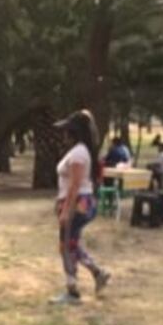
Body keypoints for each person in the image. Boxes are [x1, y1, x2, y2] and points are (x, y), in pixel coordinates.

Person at [50, 110, 110, 305]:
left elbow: (75, 185)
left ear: (74, 132)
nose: (64, 135)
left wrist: (66, 210)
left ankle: (73, 290)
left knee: (66, 246)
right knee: (71, 244)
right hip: (80, 203)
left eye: (67, 131)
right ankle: (97, 273)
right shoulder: (82, 151)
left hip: (78, 204)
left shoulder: (78, 154)